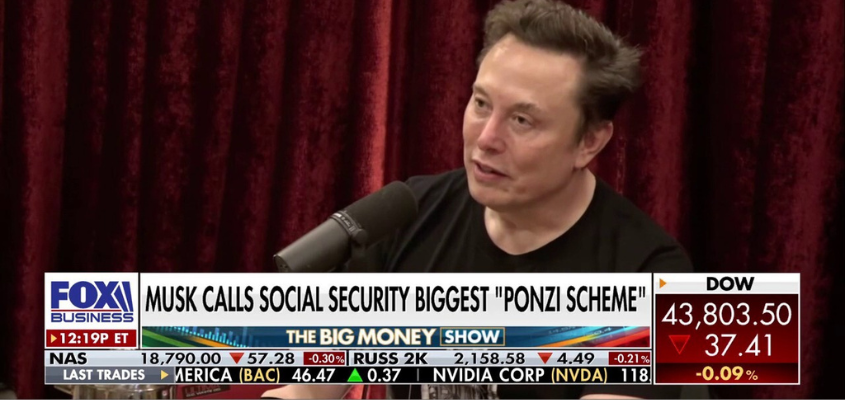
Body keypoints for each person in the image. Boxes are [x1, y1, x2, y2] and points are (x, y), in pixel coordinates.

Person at [265, 0, 692, 398]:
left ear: (590, 141)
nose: (486, 139)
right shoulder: (409, 213)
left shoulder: (649, 274)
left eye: (522, 120)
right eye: (482, 104)